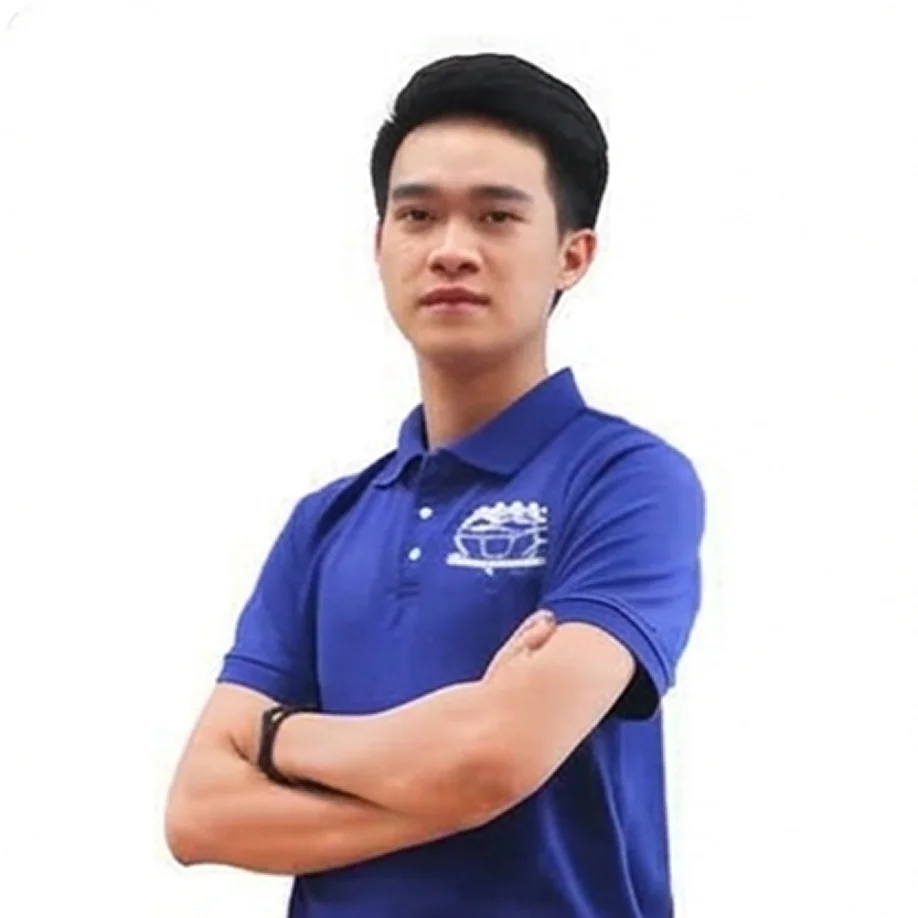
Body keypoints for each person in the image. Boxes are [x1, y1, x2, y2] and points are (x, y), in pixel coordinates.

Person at [165, 51, 707, 918]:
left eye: (497, 216)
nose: (452, 250)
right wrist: (450, 777)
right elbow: (199, 814)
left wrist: (275, 738)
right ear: (381, 245)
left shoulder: (626, 482)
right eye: (418, 215)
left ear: (572, 254)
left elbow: (492, 761)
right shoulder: (326, 523)